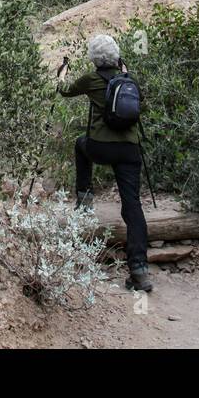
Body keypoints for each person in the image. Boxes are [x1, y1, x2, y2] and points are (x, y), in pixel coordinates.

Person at [57, 34, 152, 293]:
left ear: (94, 58)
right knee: (132, 206)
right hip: (130, 151)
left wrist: (62, 73)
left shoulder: (91, 79)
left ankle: (85, 199)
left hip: (100, 147)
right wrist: (125, 72)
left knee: (80, 145)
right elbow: (138, 100)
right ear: (116, 57)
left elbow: (64, 91)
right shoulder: (128, 79)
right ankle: (140, 271)